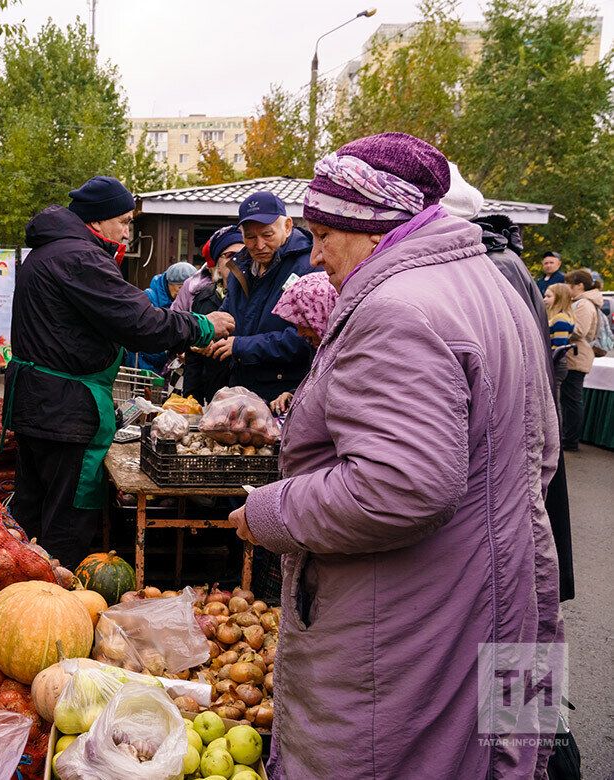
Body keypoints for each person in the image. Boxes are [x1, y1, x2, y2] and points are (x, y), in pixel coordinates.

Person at [231, 133, 561, 779]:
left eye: (326, 233)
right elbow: (540, 453)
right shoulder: (492, 288)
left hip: (407, 619)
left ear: (375, 224)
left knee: (390, 756)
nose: (316, 253)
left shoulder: (397, 308)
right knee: (498, 754)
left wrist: (270, 512)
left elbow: (399, 486)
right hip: (505, 589)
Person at [3, 175, 231, 568]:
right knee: (67, 517)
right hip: (65, 411)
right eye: (124, 221)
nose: (128, 231)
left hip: (36, 402)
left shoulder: (46, 252)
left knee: (32, 509)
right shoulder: (81, 258)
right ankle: (49, 602)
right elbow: (141, 324)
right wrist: (203, 326)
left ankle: (15, 589)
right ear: (97, 220)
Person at [441, 164, 575, 603]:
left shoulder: (495, 265)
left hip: (507, 450)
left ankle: (523, 674)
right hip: (506, 450)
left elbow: (509, 371)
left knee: (514, 595)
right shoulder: (496, 260)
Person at [203, 191, 319, 403]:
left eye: (267, 235)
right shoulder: (241, 266)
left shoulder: (308, 269)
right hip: (242, 390)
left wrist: (240, 346)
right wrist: (207, 336)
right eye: (250, 237)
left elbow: (306, 338)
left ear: (287, 226)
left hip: (284, 396)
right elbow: (228, 316)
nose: (259, 245)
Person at [181, 226, 244, 403]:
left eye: (243, 253)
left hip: (248, 394)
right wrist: (191, 398)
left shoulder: (256, 296)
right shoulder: (204, 298)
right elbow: (193, 354)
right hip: (214, 392)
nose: (237, 260)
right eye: (230, 255)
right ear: (217, 264)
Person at [266, 273, 338, 414]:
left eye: (304, 323)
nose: (299, 333)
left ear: (321, 314)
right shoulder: (321, 348)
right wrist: (293, 395)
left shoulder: (346, 351)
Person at [125, 261, 198, 373]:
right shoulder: (149, 297)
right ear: (168, 283)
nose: (181, 291)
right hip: (143, 365)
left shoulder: (186, 303)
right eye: (179, 287)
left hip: (168, 364)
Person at [561, 268, 603, 451]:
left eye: (569, 285)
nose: (567, 289)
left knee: (572, 400)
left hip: (577, 356)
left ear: (579, 286)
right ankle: (569, 437)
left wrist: (558, 323)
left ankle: (570, 440)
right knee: (570, 399)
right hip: (575, 355)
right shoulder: (582, 302)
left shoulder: (584, 304)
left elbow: (580, 330)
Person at [545, 283, 576, 350]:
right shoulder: (556, 317)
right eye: (545, 296)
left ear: (560, 298)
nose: (544, 299)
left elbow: (559, 348)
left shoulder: (560, 319)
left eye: (548, 296)